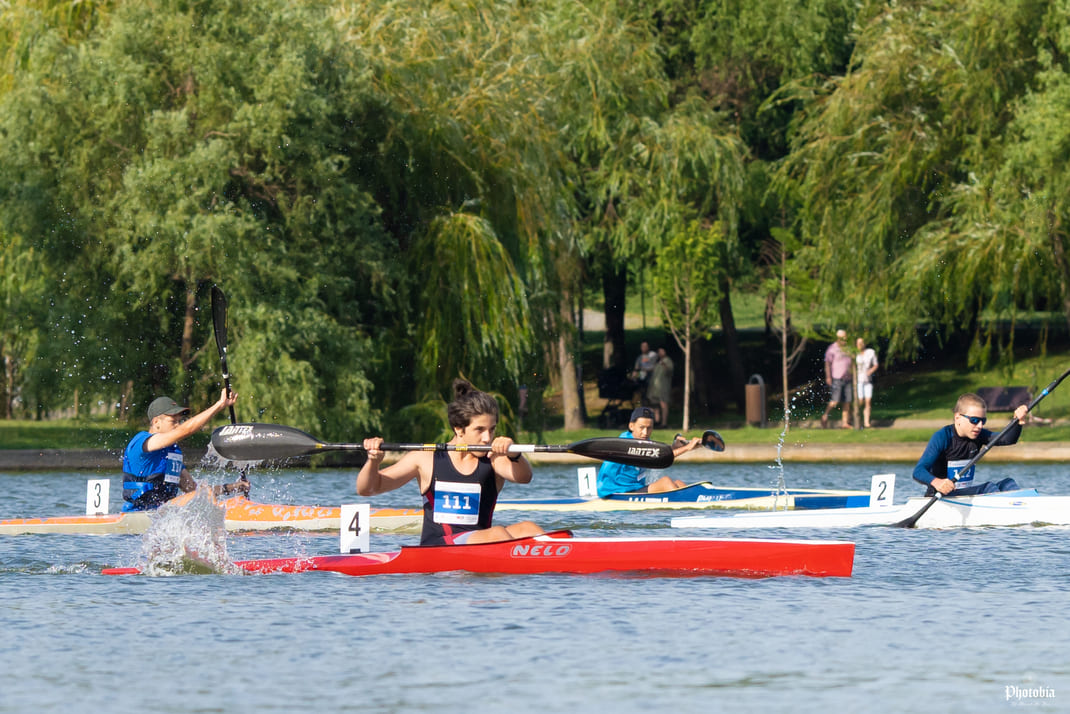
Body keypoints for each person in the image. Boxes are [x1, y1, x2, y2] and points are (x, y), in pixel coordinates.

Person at [357, 378, 543, 545]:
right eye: (480, 430)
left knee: (529, 529)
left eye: (492, 429)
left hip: (484, 541)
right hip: (438, 548)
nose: (487, 438)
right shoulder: (425, 459)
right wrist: (373, 461)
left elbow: (524, 477)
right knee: (498, 534)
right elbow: (368, 489)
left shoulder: (493, 460)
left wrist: (514, 454)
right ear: (459, 429)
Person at [121, 391, 249, 511]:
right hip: (138, 513)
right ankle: (224, 522)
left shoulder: (172, 452)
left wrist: (234, 487)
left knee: (203, 494)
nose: (178, 425)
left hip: (164, 515)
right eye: (173, 421)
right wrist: (219, 405)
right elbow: (185, 430)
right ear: (156, 422)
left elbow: (194, 490)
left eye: (179, 421)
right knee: (205, 496)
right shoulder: (142, 441)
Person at [912, 393, 1028, 496]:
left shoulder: (979, 435)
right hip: (942, 496)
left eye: (983, 421)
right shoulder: (943, 437)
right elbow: (918, 471)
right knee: (989, 488)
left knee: (1008, 483)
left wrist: (1018, 421)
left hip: (963, 495)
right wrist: (937, 482)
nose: (980, 426)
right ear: (957, 417)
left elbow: (1007, 439)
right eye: (974, 420)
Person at [595, 406, 701, 498]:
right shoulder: (626, 443)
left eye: (649, 428)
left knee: (678, 483)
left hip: (634, 489)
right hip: (616, 492)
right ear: (631, 426)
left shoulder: (643, 441)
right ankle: (683, 504)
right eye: (641, 427)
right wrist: (687, 448)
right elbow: (657, 457)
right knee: (666, 482)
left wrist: (674, 447)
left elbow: (658, 454)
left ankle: (696, 501)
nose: (645, 432)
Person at [820, 329, 853, 428]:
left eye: (845, 337)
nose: (844, 339)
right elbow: (827, 363)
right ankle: (825, 416)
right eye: (842, 338)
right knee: (835, 400)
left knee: (847, 401)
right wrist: (828, 376)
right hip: (837, 378)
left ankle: (845, 423)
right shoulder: (832, 348)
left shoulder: (849, 348)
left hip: (848, 378)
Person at [855, 337, 879, 428]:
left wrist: (871, 371)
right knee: (860, 400)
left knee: (868, 401)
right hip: (858, 381)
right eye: (858, 343)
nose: (860, 345)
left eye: (861, 343)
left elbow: (876, 364)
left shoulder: (870, 352)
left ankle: (866, 421)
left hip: (868, 380)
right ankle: (857, 418)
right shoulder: (855, 354)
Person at [648, 347, 674, 427]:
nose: (660, 353)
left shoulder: (668, 361)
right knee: (654, 405)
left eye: (662, 351)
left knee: (663, 405)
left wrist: (664, 365)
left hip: (663, 388)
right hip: (655, 388)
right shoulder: (657, 362)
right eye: (659, 351)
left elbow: (669, 371)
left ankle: (664, 423)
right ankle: (656, 422)